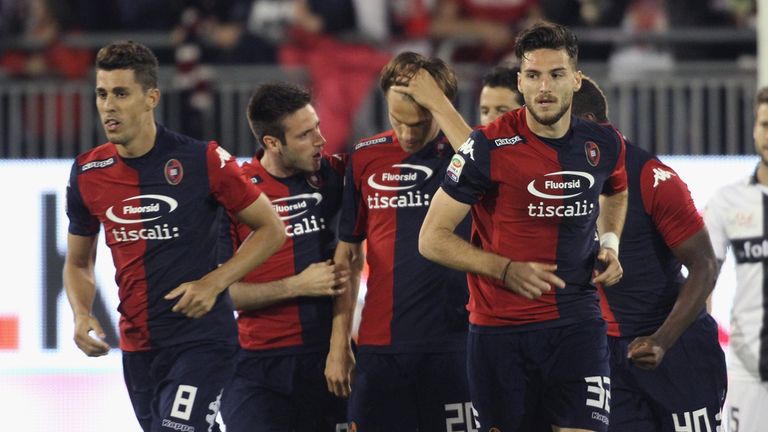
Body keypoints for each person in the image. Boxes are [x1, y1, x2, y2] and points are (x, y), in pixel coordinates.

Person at [62, 41, 285, 432]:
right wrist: (81, 314)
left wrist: (214, 283)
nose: (108, 105)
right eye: (101, 93)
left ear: (151, 98)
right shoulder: (87, 172)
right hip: (138, 349)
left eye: (120, 93)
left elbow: (271, 229)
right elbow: (79, 262)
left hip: (203, 342)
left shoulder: (202, 160)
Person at [417, 22, 628, 431]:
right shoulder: (485, 148)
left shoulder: (604, 143)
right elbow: (431, 239)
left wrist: (611, 241)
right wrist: (504, 269)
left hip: (577, 324)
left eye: (556, 74)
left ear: (577, 79)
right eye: (533, 76)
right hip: (500, 332)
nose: (544, 87)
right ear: (520, 81)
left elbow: (615, 191)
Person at [325, 51, 473, 431]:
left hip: (453, 346)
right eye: (397, 120)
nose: (408, 134)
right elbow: (348, 255)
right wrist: (339, 344)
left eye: (420, 123)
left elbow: (483, 167)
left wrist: (438, 104)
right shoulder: (365, 157)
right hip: (380, 347)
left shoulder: (462, 156)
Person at [573, 76, 726, 431]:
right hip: (609, 356)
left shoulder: (653, 178)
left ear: (589, 125)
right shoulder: (559, 183)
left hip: (677, 349)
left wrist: (662, 339)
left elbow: (704, 265)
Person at [219, 81, 350, 431]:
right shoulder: (236, 195)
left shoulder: (333, 178)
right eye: (306, 134)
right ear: (272, 143)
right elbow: (220, 293)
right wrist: (296, 286)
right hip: (257, 369)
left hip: (327, 359)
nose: (321, 140)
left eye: (318, 127)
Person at [704, 86, 768, 432]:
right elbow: (704, 276)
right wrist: (700, 347)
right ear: (755, 128)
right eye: (765, 124)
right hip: (748, 372)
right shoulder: (728, 201)